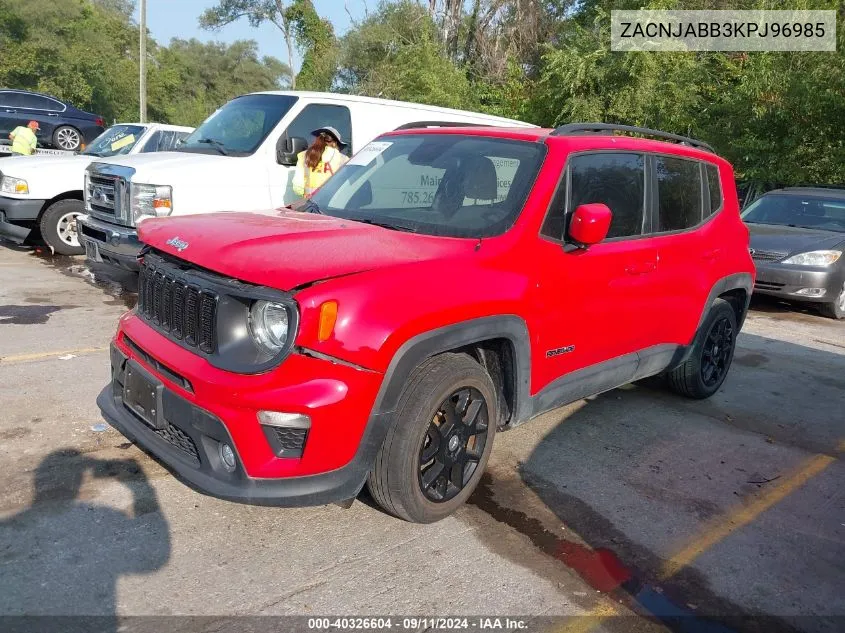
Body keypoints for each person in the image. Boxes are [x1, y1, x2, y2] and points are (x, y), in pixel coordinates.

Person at [292, 126, 349, 198]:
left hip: (309, 204)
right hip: (331, 204)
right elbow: (347, 187)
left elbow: (297, 186)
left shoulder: (303, 155)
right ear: (335, 143)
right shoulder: (343, 159)